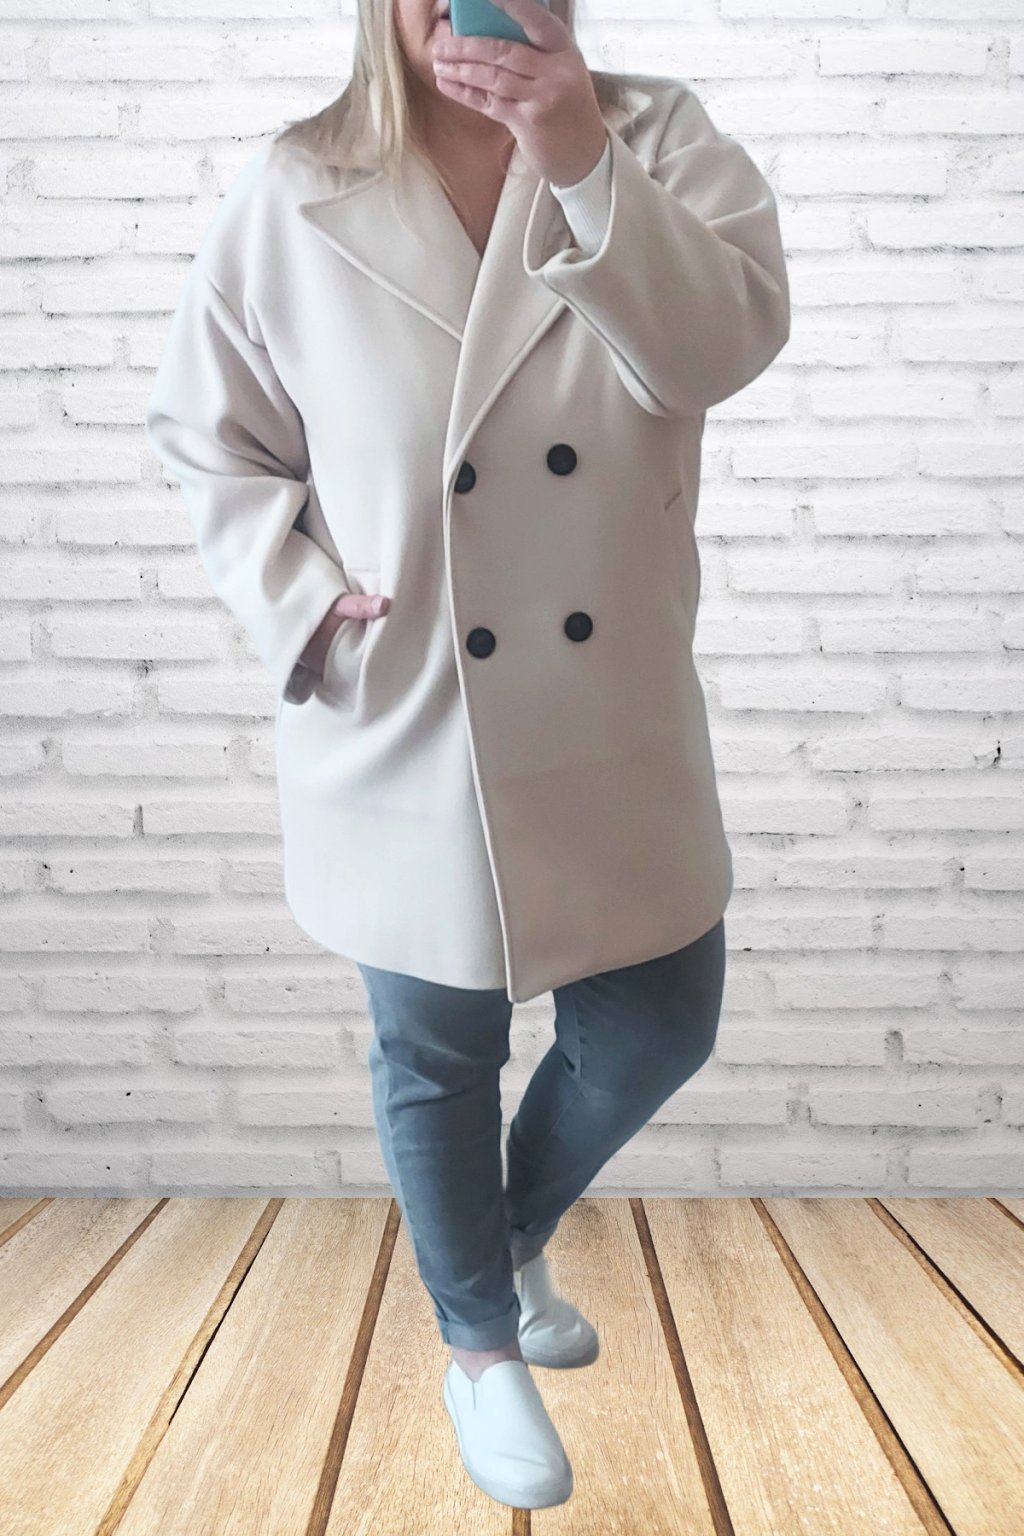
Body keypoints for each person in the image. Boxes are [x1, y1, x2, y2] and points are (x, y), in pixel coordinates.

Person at [144, 0, 790, 1512]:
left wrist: (576, 153)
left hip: (608, 698)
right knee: (437, 1052)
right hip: (414, 690)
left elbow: (717, 353)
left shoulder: (657, 139)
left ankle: (494, 1245)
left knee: (657, 1021)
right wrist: (305, 605)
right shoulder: (298, 184)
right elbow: (211, 432)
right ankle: (482, 1349)